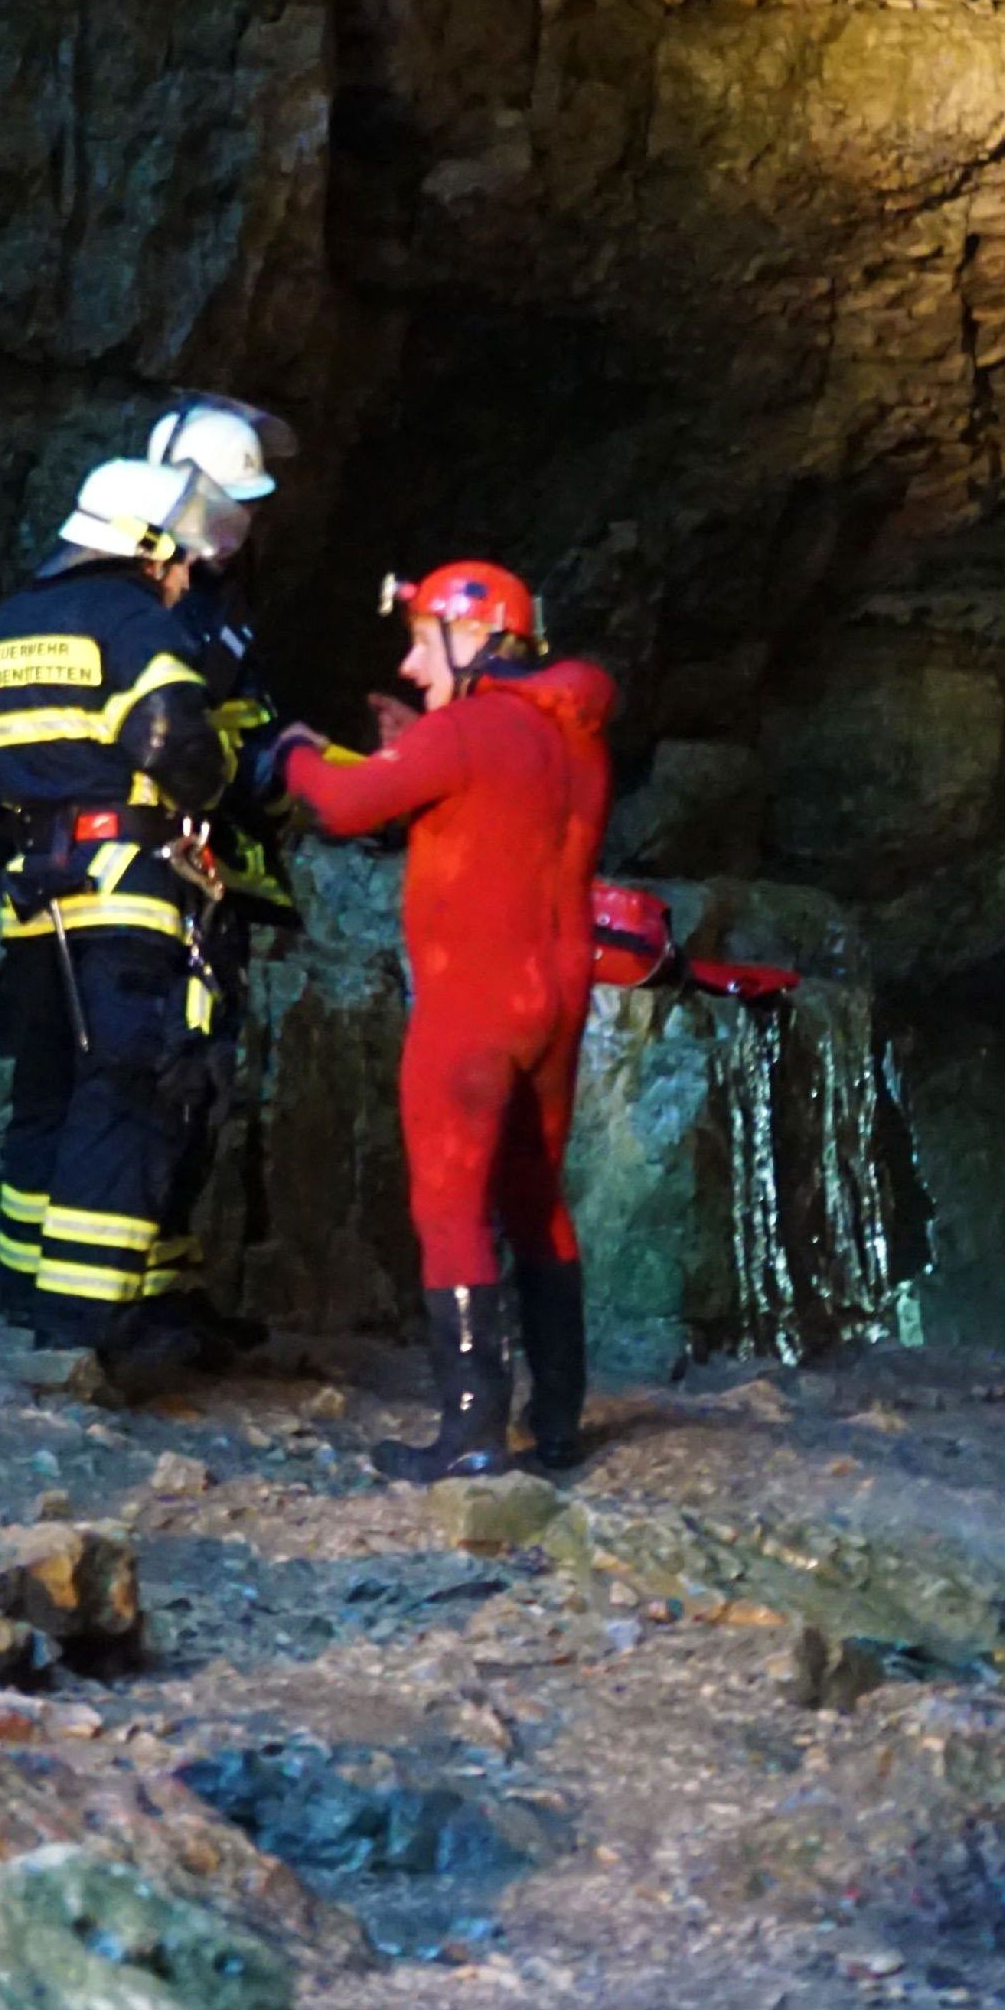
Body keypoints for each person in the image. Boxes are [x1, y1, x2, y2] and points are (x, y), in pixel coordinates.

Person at [267, 561, 614, 1479]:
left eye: (423, 644)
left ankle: (467, 1438)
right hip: (557, 1002)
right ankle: (559, 1425)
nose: (415, 668)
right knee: (536, 1199)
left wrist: (290, 750)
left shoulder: (466, 731)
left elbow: (341, 804)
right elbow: (481, 805)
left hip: (474, 1004)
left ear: (478, 640)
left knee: (451, 1208)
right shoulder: (572, 736)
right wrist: (416, 747)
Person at [0, 456, 250, 1372]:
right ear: (148, 546)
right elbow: (170, 740)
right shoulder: (129, 618)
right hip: (128, 901)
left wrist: (13, 873)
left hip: (35, 908)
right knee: (127, 1097)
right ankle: (83, 1333)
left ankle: (24, 1299)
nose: (186, 575)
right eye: (180, 557)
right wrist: (222, 783)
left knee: (44, 1098)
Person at [132, 395, 313, 1348]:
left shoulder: (218, 608)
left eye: (246, 507)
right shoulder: (144, 599)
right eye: (223, 503)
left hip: (206, 877)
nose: (237, 524)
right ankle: (132, 1302)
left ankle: (170, 1289)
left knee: (200, 1085)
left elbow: (237, 724)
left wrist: (284, 761)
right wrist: (265, 766)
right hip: (154, 870)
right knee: (165, 1079)